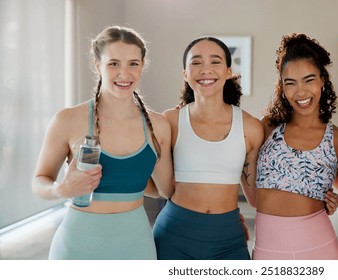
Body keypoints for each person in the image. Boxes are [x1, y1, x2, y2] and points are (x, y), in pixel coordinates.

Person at [32, 26, 173, 260]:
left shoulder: (158, 126)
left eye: (133, 64)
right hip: (77, 246)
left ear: (143, 65)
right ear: (98, 65)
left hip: (135, 246)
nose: (124, 73)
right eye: (113, 63)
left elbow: (165, 190)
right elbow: (39, 181)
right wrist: (62, 189)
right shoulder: (67, 120)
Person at [152, 36, 264, 260]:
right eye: (196, 62)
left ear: (228, 71)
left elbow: (255, 197)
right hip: (174, 235)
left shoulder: (251, 127)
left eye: (215, 61)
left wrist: (313, 198)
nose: (206, 69)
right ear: (185, 74)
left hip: (229, 238)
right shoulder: (171, 121)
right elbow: (159, 186)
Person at [253, 33, 338, 260]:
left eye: (309, 80)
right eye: (291, 83)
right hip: (267, 249)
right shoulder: (267, 128)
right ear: (282, 87)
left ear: (322, 80)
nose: (300, 92)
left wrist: (332, 199)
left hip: (317, 246)